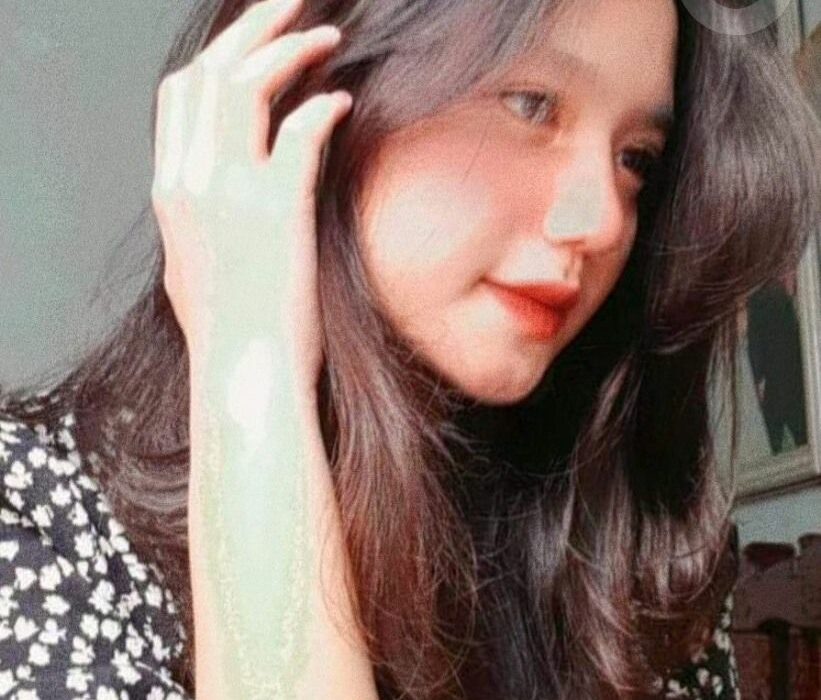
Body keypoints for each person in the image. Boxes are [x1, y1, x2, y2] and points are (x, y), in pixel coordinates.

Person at [1, 0, 819, 697]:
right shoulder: (37, 523)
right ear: (303, 87)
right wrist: (252, 366)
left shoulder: (625, 538)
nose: (603, 220)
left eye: (634, 157)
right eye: (531, 104)